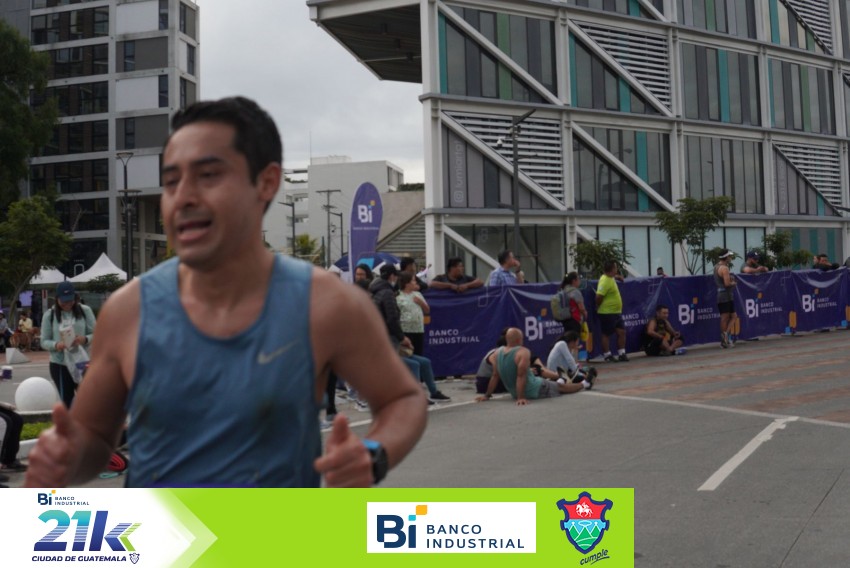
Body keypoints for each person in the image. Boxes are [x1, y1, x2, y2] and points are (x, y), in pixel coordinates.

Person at [25, 97, 427, 489]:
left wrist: (372, 453)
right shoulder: (128, 310)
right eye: (171, 181)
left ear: (266, 182)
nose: (184, 197)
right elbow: (95, 438)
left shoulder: (325, 304)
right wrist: (65, 457)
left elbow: (402, 399)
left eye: (208, 175)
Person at [369, 265, 449, 403]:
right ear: (392, 276)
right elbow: (392, 319)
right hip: (391, 339)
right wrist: (402, 337)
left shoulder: (380, 292)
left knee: (424, 362)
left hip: (395, 337)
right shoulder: (388, 293)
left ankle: (433, 392)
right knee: (414, 365)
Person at [475, 328, 593, 405]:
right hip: (535, 388)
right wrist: (521, 398)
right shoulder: (523, 352)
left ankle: (561, 378)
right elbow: (521, 376)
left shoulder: (498, 352)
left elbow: (495, 375)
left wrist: (487, 395)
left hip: (515, 392)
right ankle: (584, 384)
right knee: (561, 388)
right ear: (519, 339)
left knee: (553, 383)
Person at [39, 283, 96, 408]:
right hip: (60, 363)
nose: (67, 304)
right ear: (57, 299)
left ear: (75, 298)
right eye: (63, 301)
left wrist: (85, 339)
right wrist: (56, 345)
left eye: (70, 300)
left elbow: (97, 333)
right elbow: (43, 341)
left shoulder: (85, 311)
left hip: (82, 361)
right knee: (67, 402)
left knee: (89, 401)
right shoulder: (50, 315)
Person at [595, 260, 628, 362]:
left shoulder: (611, 277)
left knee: (622, 332)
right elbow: (598, 297)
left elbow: (612, 276)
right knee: (606, 334)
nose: (617, 269)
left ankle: (622, 353)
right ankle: (607, 355)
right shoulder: (605, 281)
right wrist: (598, 306)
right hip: (607, 312)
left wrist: (617, 277)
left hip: (616, 312)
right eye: (616, 268)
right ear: (612, 269)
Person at [397, 272, 429, 356]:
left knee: (419, 354)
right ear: (407, 283)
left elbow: (427, 310)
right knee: (407, 354)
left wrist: (421, 302)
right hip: (405, 330)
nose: (415, 282)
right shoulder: (398, 296)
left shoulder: (418, 294)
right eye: (413, 280)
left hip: (418, 329)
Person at [551, 272, 586, 337]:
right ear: (574, 281)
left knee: (568, 339)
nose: (579, 281)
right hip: (575, 320)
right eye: (578, 279)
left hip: (566, 320)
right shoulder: (575, 292)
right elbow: (581, 308)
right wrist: (585, 314)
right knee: (574, 340)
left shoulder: (564, 290)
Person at [714, 250, 737, 348]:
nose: (730, 258)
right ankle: (724, 341)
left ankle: (726, 336)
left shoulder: (716, 266)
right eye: (729, 256)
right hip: (724, 296)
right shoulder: (724, 268)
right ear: (726, 257)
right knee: (724, 318)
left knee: (734, 316)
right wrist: (733, 283)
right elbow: (727, 284)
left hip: (725, 295)